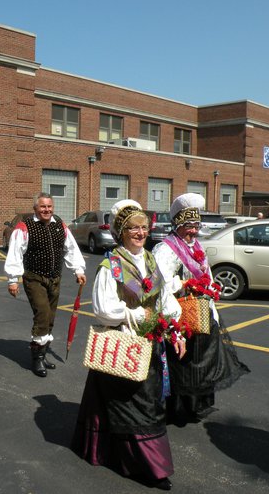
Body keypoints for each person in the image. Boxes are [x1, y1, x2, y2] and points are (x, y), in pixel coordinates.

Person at [72, 199, 186, 491]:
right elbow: (103, 308)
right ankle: (147, 466)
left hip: (151, 343)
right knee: (133, 405)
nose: (140, 233)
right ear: (121, 232)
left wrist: (175, 329)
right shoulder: (112, 265)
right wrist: (133, 314)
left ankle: (132, 457)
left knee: (147, 402)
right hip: (125, 342)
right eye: (133, 228)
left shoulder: (149, 260)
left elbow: (164, 300)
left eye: (144, 227)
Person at [153, 193, 249, 424]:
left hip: (201, 312)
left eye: (196, 226)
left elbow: (205, 274)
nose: (193, 231)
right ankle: (176, 409)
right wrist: (184, 284)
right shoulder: (165, 249)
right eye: (189, 227)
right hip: (179, 313)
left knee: (201, 361)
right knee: (181, 363)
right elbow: (160, 283)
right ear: (178, 225)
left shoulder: (197, 247)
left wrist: (208, 288)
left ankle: (195, 405)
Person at [4, 192, 87, 377]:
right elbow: (15, 253)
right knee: (42, 314)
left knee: (50, 317)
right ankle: (36, 359)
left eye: (49, 206)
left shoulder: (60, 225)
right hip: (34, 278)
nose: (46, 210)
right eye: (42, 207)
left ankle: (42, 353)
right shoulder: (25, 227)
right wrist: (13, 279)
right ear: (35, 208)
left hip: (55, 278)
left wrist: (78, 270)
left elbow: (71, 249)